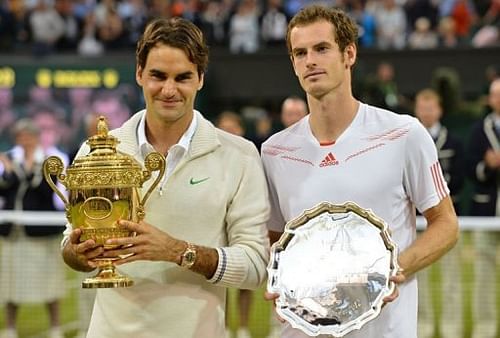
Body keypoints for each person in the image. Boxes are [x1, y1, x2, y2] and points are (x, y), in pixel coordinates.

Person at [61, 17, 270, 338]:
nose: (169, 90)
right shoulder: (96, 150)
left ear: (200, 79)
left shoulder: (239, 155)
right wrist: (79, 253)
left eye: (183, 77)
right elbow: (70, 245)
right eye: (158, 76)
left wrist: (177, 251)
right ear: (139, 74)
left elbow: (256, 267)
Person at [260, 5, 458, 338]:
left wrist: (390, 271)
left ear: (349, 53)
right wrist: (281, 278)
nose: (310, 60)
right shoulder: (274, 151)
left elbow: (447, 224)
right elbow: (276, 242)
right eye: (300, 53)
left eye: (321, 49)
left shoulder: (403, 133)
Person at [0, 118, 67, 338]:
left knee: (49, 283)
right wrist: (9, 172)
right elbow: (4, 191)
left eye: (29, 136)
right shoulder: (9, 159)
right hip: (14, 233)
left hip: (41, 233)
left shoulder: (49, 162)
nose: (25, 141)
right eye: (21, 137)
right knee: (10, 284)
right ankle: (10, 328)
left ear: (36, 137)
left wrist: (28, 169)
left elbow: (45, 193)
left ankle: (55, 327)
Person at [413, 88, 465, 338]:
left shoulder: (453, 141)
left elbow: (460, 177)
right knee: (417, 277)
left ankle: (451, 328)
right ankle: (421, 327)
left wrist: (437, 197)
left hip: (443, 217)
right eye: (422, 108)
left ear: (440, 110)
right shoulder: (409, 142)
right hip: (416, 220)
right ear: (416, 111)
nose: (426, 112)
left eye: (430, 108)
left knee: (451, 277)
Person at [215, 110, 252, 338]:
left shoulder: (251, 157)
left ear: (241, 131)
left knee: (246, 280)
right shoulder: (208, 160)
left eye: (233, 129)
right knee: (222, 279)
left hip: (245, 227)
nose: (229, 134)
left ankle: (245, 328)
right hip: (218, 229)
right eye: (224, 129)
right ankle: (227, 329)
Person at [468, 78, 500, 338]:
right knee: (484, 278)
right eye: (495, 95)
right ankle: (484, 330)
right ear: (489, 99)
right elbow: (470, 170)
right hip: (487, 213)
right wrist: (488, 166)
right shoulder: (479, 130)